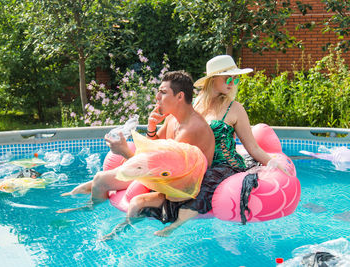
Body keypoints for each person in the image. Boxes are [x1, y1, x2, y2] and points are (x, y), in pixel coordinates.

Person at [105, 55, 280, 238]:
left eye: (235, 79)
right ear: (213, 79)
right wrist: (151, 129)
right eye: (228, 78)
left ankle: (173, 227)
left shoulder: (235, 108)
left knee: (204, 183)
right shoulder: (190, 104)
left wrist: (274, 163)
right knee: (146, 196)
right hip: (189, 167)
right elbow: (162, 146)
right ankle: (123, 227)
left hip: (222, 167)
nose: (233, 83)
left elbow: (252, 147)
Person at [59, 71, 215, 216]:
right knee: (97, 180)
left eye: (163, 92)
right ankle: (87, 205)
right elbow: (153, 149)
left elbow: (164, 174)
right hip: (164, 176)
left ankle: (94, 214)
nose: (157, 97)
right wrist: (152, 127)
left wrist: (125, 152)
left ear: (180, 97)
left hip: (178, 189)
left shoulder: (191, 130)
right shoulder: (173, 119)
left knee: (100, 180)